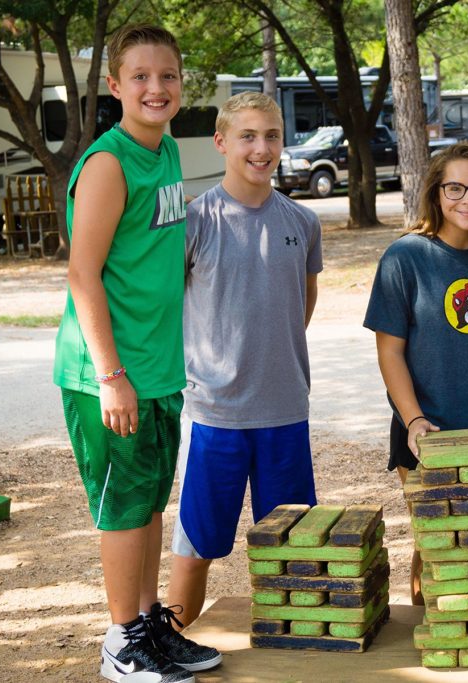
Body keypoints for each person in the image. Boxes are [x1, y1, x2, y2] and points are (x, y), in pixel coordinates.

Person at [53, 24, 217, 683]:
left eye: (168, 76)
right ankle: (122, 641)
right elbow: (82, 274)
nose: (157, 87)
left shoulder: (168, 152)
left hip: (156, 370)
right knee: (124, 507)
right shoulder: (108, 163)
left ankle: (149, 621)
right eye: (141, 77)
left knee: (149, 500)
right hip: (110, 375)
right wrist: (111, 375)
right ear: (116, 85)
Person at [166, 91, 321, 628]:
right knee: (196, 545)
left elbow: (302, 300)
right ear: (221, 142)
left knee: (291, 545)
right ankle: (173, 641)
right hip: (215, 415)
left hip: (284, 410)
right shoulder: (194, 220)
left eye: (272, 136)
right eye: (248, 136)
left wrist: (269, 353)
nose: (261, 148)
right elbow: (167, 307)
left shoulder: (302, 221)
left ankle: (293, 637)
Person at [364, 142, 468, 603]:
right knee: (436, 549)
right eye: (455, 187)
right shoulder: (405, 257)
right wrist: (413, 420)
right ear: (436, 193)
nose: (467, 199)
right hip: (428, 430)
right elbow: (390, 352)